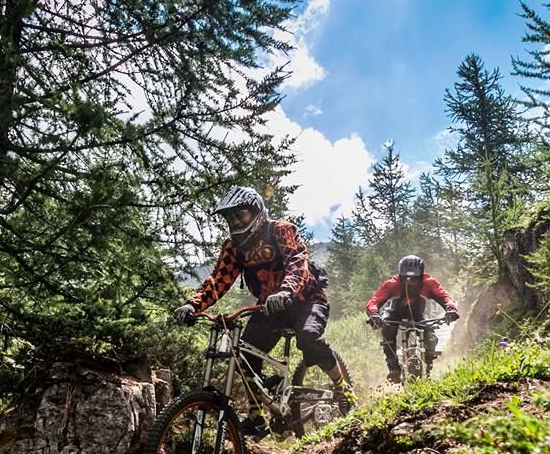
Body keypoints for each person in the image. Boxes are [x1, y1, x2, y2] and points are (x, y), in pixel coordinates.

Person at [173, 186, 354, 438]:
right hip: (270, 306)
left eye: (241, 215)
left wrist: (286, 291)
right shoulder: (234, 247)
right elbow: (218, 280)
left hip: (306, 300)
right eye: (231, 218)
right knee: (245, 352)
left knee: (308, 337)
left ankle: (342, 387)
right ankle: (256, 416)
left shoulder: (281, 230)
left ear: (257, 211)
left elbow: (297, 262)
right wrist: (192, 305)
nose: (236, 222)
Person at [365, 255, 459, 382]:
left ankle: (428, 361)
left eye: (414, 279)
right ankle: (393, 366)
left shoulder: (428, 283)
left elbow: (445, 297)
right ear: (400, 276)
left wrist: (451, 310)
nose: (409, 282)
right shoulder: (392, 284)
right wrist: (374, 315)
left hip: (417, 314)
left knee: (431, 336)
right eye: (405, 278)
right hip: (393, 313)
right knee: (387, 330)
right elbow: (374, 301)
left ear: (421, 276)